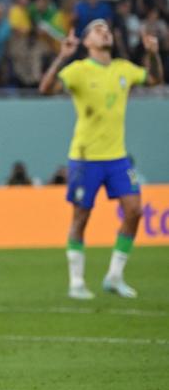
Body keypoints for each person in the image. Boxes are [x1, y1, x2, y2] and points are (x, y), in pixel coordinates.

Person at [38, 21, 162, 299]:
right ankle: (76, 282)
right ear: (87, 42)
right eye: (97, 29)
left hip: (117, 157)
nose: (105, 31)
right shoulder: (79, 70)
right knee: (81, 217)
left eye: (107, 28)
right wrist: (62, 55)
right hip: (85, 158)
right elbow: (45, 88)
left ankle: (115, 276)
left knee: (134, 210)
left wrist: (152, 53)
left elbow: (154, 80)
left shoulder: (123, 69)